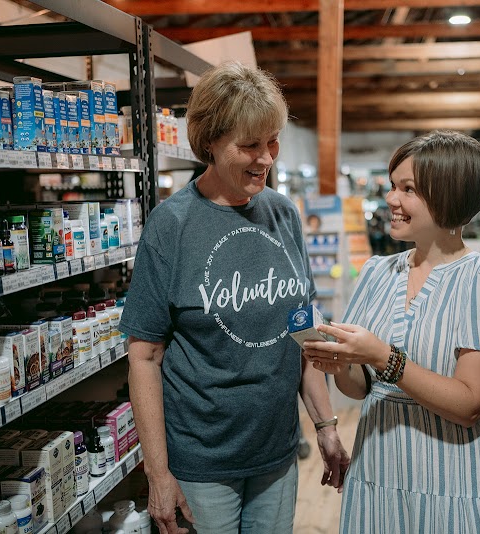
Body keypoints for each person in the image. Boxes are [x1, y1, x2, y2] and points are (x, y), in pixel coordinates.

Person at [118, 61, 349, 534]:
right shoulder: (173, 225)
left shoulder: (283, 215)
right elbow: (144, 356)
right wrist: (158, 473)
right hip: (202, 461)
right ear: (210, 143)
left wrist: (324, 426)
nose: (267, 158)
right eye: (250, 145)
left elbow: (301, 333)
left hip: (277, 452)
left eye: (272, 142)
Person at [303, 131, 480, 533]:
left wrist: (382, 356)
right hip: (378, 468)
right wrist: (338, 361)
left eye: (407, 189)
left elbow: (470, 405)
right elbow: (360, 388)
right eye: (393, 186)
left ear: (447, 194)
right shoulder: (378, 272)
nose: (391, 199)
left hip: (452, 479)